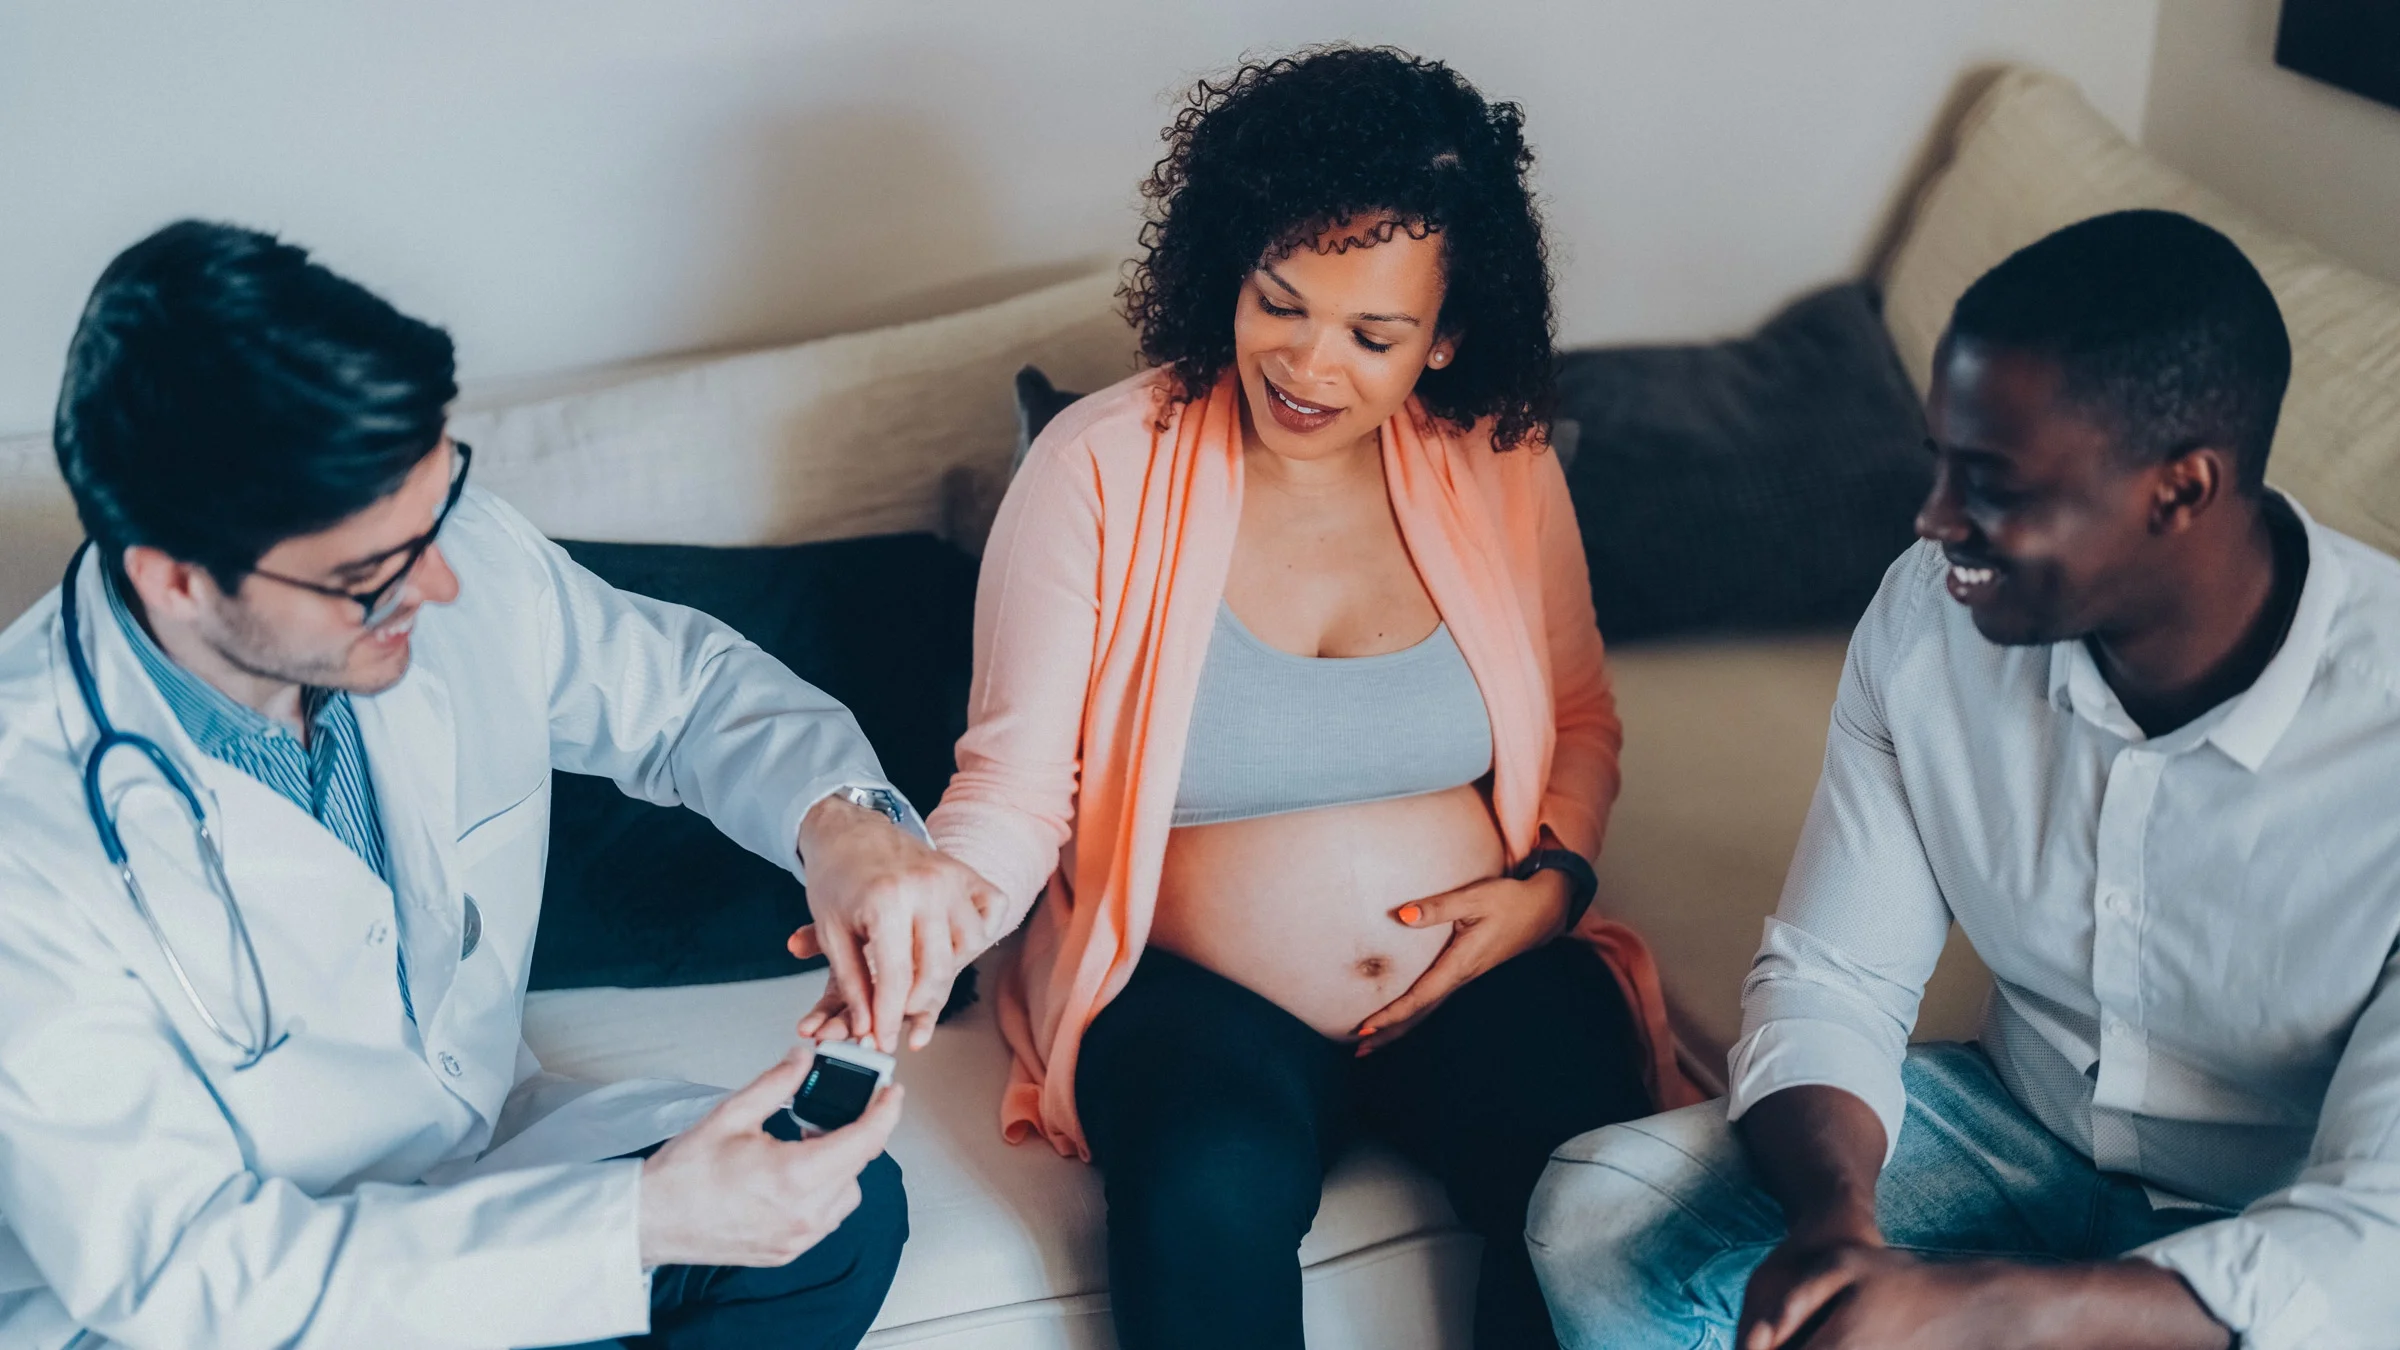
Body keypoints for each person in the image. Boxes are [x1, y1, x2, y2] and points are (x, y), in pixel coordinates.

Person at [796, 46, 1696, 1350]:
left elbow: (1580, 717)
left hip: (1476, 970)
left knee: (1588, 1161)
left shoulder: (1499, 463)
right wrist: (932, 910)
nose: (1310, 367)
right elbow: (1013, 786)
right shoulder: (1099, 463)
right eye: (1282, 304)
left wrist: (1552, 885)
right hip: (1186, 990)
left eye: (1373, 335)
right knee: (1206, 1175)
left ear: (1446, 337)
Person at [0, 220, 995, 1349]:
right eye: (370, 574)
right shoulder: (24, 828)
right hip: (238, 1304)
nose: (437, 579)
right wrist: (632, 1224)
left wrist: (844, 825)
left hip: (480, 1165)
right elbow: (190, 1275)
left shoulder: (439, 553)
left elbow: (682, 696)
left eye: (435, 504)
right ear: (176, 580)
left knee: (830, 1213)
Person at [1528, 209, 2400, 1350]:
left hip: (2282, 1225)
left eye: (1991, 481)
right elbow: (1835, 979)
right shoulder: (1929, 615)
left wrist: (1989, 1313)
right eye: (1942, 458)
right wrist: (1839, 1224)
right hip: (2017, 1128)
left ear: (2180, 490)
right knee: (1600, 1221)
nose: (1935, 520)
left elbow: (2374, 1237)